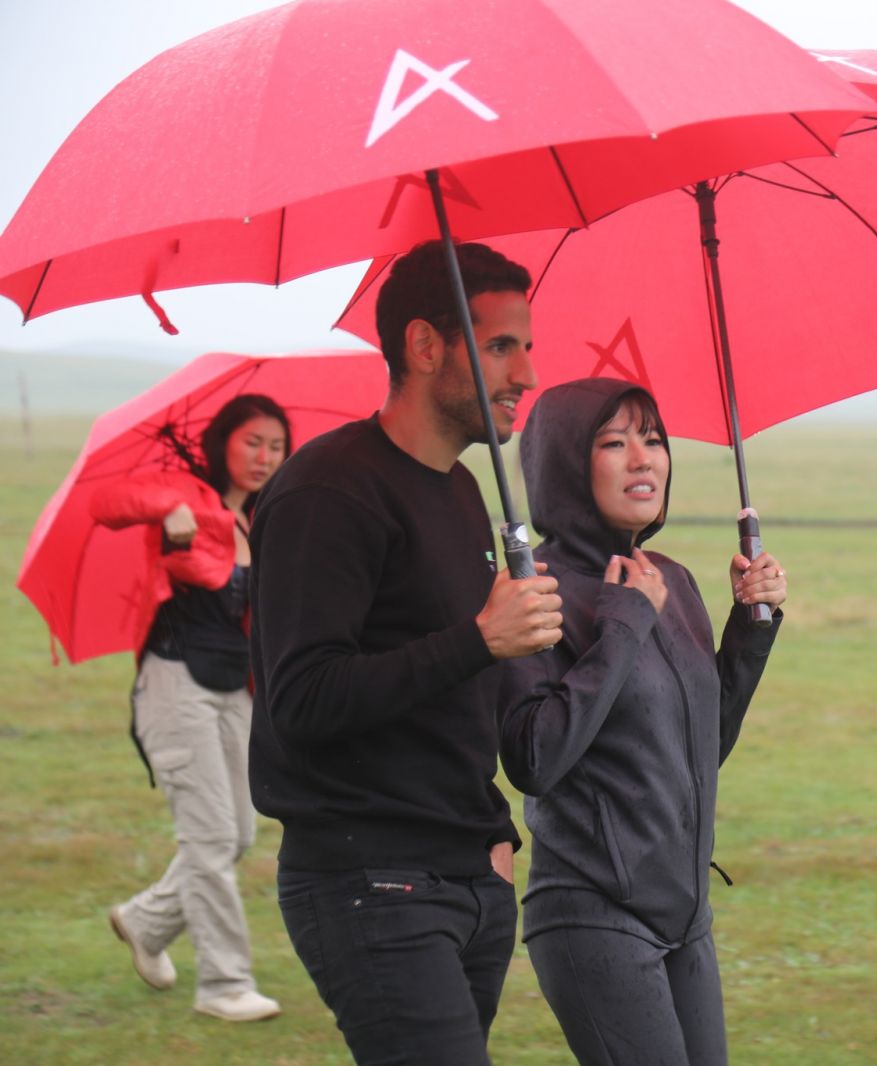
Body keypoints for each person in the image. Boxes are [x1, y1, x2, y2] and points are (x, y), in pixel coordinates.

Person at [248, 240, 564, 1064]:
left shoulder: (461, 488)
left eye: (527, 346)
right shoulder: (328, 491)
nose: (527, 373)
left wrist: (493, 840)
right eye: (500, 346)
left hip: (470, 869)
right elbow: (302, 699)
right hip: (372, 880)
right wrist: (478, 639)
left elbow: (460, 698)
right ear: (425, 346)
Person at [499, 377, 787, 1066]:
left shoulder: (669, 579)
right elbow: (534, 760)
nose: (643, 459)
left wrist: (750, 630)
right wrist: (623, 627)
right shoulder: (534, 592)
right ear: (565, 463)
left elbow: (698, 748)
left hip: (685, 913)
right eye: (613, 442)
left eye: (654, 440)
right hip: (592, 912)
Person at [93, 393, 290, 1023]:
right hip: (176, 684)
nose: (264, 457)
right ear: (223, 441)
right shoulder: (188, 496)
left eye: (276, 446)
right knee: (210, 839)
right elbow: (108, 502)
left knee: (238, 833)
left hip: (235, 691)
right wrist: (168, 507)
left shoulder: (256, 520)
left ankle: (145, 921)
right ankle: (224, 985)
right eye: (252, 442)